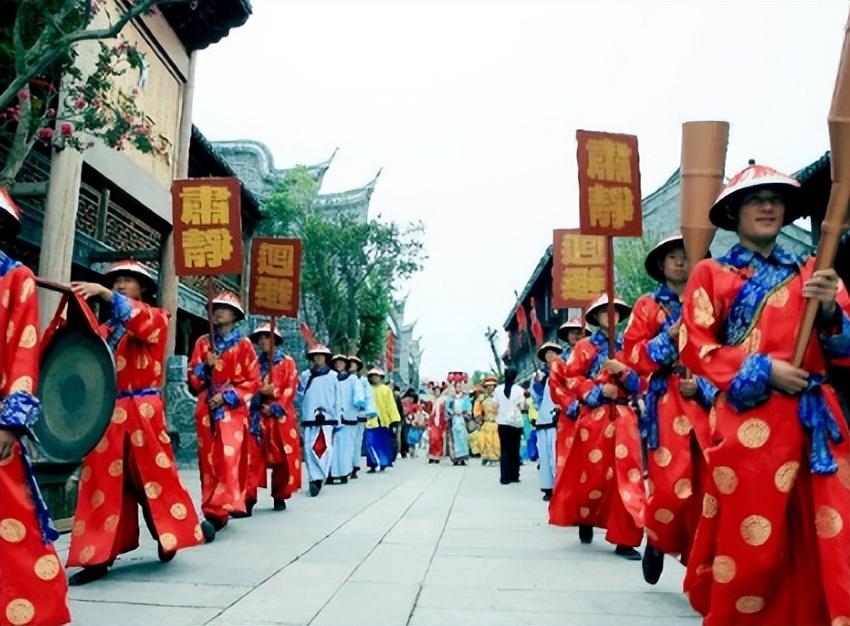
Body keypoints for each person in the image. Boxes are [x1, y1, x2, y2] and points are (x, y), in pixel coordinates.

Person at [679, 162, 850, 625]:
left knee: (825, 535)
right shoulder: (711, 275)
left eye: (775, 199)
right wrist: (764, 369)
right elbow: (696, 346)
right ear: (734, 212)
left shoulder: (814, 271)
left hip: (815, 422)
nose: (768, 206)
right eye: (756, 199)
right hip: (748, 424)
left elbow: (844, 351)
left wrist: (832, 310)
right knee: (753, 542)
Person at [67, 261, 205, 586]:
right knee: (102, 483)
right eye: (115, 282)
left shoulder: (155, 318)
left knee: (152, 478)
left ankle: (165, 530)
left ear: (143, 289)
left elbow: (139, 322)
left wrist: (103, 293)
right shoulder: (106, 331)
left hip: (144, 410)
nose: (120, 286)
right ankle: (97, 556)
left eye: (129, 281)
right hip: (109, 412)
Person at [623, 234, 717, 584]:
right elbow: (634, 357)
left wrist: (705, 387)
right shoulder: (648, 306)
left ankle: (699, 566)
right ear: (661, 265)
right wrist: (671, 336)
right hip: (666, 401)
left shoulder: (712, 301)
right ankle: (657, 539)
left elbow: (726, 350)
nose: (680, 262)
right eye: (673, 257)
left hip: (706, 402)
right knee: (671, 485)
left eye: (687, 255)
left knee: (709, 486)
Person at [0, 191, 71, 624]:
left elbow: (25, 351)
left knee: (12, 519)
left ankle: (30, 610)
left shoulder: (15, 278)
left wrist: (10, 421)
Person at [548, 294, 645, 560]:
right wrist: (600, 390)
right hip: (595, 418)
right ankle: (585, 516)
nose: (610, 316)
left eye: (615, 311)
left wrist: (624, 373)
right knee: (592, 475)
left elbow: (642, 381)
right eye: (605, 311)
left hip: (625, 417)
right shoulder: (584, 348)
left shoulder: (632, 346)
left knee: (628, 476)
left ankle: (625, 538)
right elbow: (571, 379)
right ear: (596, 316)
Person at [189, 291, 260, 529]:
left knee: (228, 457)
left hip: (232, 410)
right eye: (215, 307)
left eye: (224, 308)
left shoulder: (244, 345)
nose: (218, 312)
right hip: (207, 406)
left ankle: (219, 508)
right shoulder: (202, 343)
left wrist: (228, 396)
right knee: (207, 460)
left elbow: (252, 380)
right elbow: (192, 377)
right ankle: (211, 507)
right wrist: (203, 368)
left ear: (234, 315)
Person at [249, 323, 302, 511]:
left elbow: (291, 388)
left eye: (267, 337)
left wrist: (276, 397)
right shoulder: (253, 364)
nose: (263, 341)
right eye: (260, 338)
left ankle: (280, 494)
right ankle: (248, 498)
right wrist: (260, 393)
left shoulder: (287, 362)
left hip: (280, 416)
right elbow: (246, 387)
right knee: (252, 457)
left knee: (284, 457)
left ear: (275, 340)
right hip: (258, 416)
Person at [297, 344, 339, 496]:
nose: (319, 358)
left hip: (328, 417)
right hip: (309, 416)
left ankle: (319, 476)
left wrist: (337, 419)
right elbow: (299, 395)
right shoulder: (305, 375)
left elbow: (337, 398)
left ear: (326, 358)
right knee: (309, 448)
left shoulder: (334, 376)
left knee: (325, 448)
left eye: (322, 355)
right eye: (316, 355)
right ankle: (313, 478)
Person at [554, 319, 589, 467]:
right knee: (568, 457)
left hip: (592, 409)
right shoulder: (560, 361)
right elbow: (556, 387)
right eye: (572, 332)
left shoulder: (593, 357)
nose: (576, 335)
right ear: (567, 335)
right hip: (569, 414)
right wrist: (572, 406)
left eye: (579, 332)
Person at [532, 342, 564, 501]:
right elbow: (536, 397)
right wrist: (538, 383)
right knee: (544, 456)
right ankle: (547, 487)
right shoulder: (539, 375)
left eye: (553, 353)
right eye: (547, 354)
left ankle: (559, 486)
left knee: (555, 455)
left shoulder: (564, 370)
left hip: (557, 417)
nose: (550, 356)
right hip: (543, 418)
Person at [329, 354, 362, 485]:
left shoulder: (353, 379)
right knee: (332, 446)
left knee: (346, 447)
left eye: (341, 363)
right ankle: (331, 473)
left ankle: (344, 472)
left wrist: (359, 402)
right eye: (336, 363)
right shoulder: (331, 378)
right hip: (333, 416)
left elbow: (358, 393)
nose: (338, 365)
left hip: (348, 416)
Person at [494, 367, 525, 484]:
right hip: (515, 423)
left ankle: (504, 477)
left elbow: (494, 405)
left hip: (502, 422)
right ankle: (514, 475)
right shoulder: (519, 390)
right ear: (515, 377)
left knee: (505, 450)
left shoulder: (498, 390)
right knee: (515, 449)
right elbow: (522, 407)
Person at [364, 368, 398, 472]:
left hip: (383, 420)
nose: (375, 378)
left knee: (382, 442)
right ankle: (373, 463)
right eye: (373, 376)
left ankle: (383, 462)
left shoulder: (386, 390)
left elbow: (391, 405)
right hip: (369, 420)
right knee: (369, 442)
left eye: (377, 376)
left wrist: (394, 420)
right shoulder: (367, 389)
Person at [445, 373, 471, 466]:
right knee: (454, 439)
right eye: (457, 386)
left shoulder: (465, 397)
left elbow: (469, 408)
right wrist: (453, 412)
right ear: (454, 387)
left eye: (460, 386)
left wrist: (464, 412)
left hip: (462, 420)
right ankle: (455, 458)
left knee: (463, 439)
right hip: (454, 419)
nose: (459, 388)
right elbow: (448, 408)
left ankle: (463, 458)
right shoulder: (451, 398)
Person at [348, 356, 368, 479]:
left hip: (359, 414)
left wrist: (367, 410)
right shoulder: (340, 378)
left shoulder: (362, 381)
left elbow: (368, 397)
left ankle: (355, 465)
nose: (351, 365)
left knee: (356, 441)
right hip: (344, 414)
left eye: (354, 364)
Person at [474, 376, 501, 466]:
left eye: (492, 386)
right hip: (486, 423)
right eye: (488, 386)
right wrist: (478, 419)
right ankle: (487, 457)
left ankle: (497, 457)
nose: (490, 388)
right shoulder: (481, 399)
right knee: (485, 441)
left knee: (497, 441)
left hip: (497, 422)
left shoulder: (499, 397)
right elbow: (477, 411)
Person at [427, 382, 448, 463]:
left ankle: (437, 456)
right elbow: (428, 411)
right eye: (435, 391)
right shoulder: (431, 401)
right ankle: (431, 455)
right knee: (432, 439)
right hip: (432, 423)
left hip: (440, 423)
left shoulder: (443, 401)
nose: (437, 392)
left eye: (438, 391)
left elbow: (444, 413)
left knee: (438, 440)